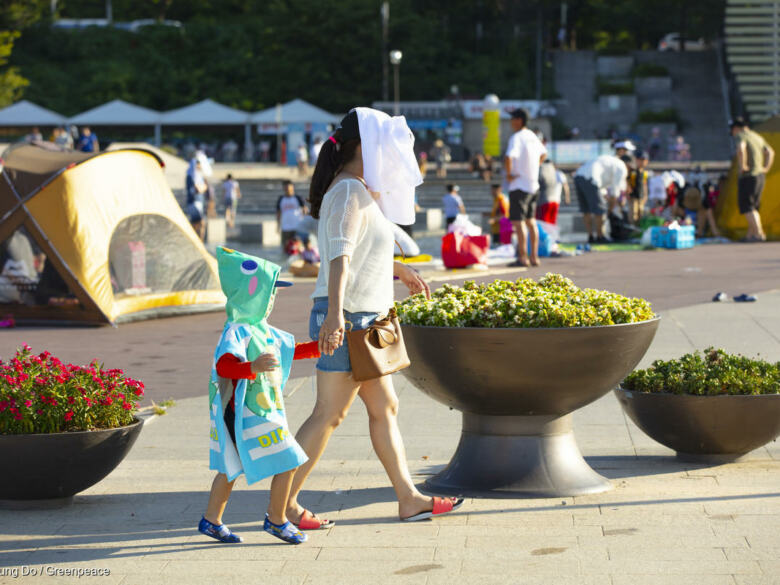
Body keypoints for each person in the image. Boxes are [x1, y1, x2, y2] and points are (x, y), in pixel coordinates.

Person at [286, 108, 462, 529]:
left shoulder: (357, 190)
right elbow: (340, 256)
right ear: (362, 146)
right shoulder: (347, 191)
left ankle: (408, 498)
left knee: (384, 406)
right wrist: (333, 316)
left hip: (363, 317)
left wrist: (398, 270)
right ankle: (283, 505)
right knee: (329, 413)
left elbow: (362, 251)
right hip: (349, 318)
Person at [199, 247, 311, 545]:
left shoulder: (261, 329)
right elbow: (224, 366)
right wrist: (253, 366)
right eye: (269, 292)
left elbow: (289, 350)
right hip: (245, 413)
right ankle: (276, 520)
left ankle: (211, 520)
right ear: (252, 292)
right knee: (290, 459)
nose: (272, 299)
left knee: (231, 467)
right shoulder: (236, 330)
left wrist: (319, 348)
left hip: (259, 411)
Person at [504, 108, 547, 267]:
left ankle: (523, 257)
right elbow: (544, 154)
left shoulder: (517, 137)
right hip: (533, 184)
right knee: (531, 221)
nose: (511, 122)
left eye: (513, 119)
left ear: (519, 120)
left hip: (519, 185)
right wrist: (534, 166)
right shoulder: (533, 136)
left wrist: (509, 174)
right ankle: (534, 257)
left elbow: (509, 156)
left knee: (518, 222)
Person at [731, 116, 774, 242]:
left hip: (748, 175)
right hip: (760, 175)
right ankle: (751, 235)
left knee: (747, 206)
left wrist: (743, 165)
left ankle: (759, 234)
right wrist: (766, 167)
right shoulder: (757, 136)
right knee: (753, 207)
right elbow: (770, 152)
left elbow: (741, 148)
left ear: (736, 128)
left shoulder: (741, 135)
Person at [574, 154, 628, 243]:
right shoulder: (622, 167)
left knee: (586, 210)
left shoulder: (609, 161)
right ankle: (600, 236)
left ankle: (590, 236)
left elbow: (603, 191)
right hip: (591, 178)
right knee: (600, 210)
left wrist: (609, 201)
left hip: (579, 175)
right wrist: (610, 211)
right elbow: (615, 193)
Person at [536, 155, 569, 227]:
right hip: (555, 200)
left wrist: (567, 197)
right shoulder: (557, 173)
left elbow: (565, 186)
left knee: (544, 221)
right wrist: (567, 198)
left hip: (546, 199)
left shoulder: (545, 172)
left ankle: (547, 236)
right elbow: (565, 186)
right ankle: (551, 236)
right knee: (551, 221)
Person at [277, 180, 307, 252]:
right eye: (286, 188)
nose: (287, 190)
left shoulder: (298, 198)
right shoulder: (281, 199)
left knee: (299, 248)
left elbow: (305, 209)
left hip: (297, 227)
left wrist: (304, 222)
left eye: (289, 188)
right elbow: (278, 212)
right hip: (285, 228)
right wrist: (278, 226)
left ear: (292, 188)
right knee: (285, 247)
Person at [186, 159, 209, 241]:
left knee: (196, 223)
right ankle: (199, 242)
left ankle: (195, 241)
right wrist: (204, 187)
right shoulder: (192, 176)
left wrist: (203, 187)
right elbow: (199, 189)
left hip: (198, 203)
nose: (199, 167)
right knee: (200, 223)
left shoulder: (196, 176)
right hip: (194, 203)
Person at [626, 150, 649, 224]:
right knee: (633, 213)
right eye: (640, 160)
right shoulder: (633, 172)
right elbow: (627, 182)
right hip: (633, 196)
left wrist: (645, 195)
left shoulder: (644, 173)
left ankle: (638, 228)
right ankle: (632, 227)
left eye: (644, 160)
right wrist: (627, 192)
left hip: (641, 196)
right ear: (636, 160)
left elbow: (644, 185)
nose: (642, 162)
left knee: (641, 212)